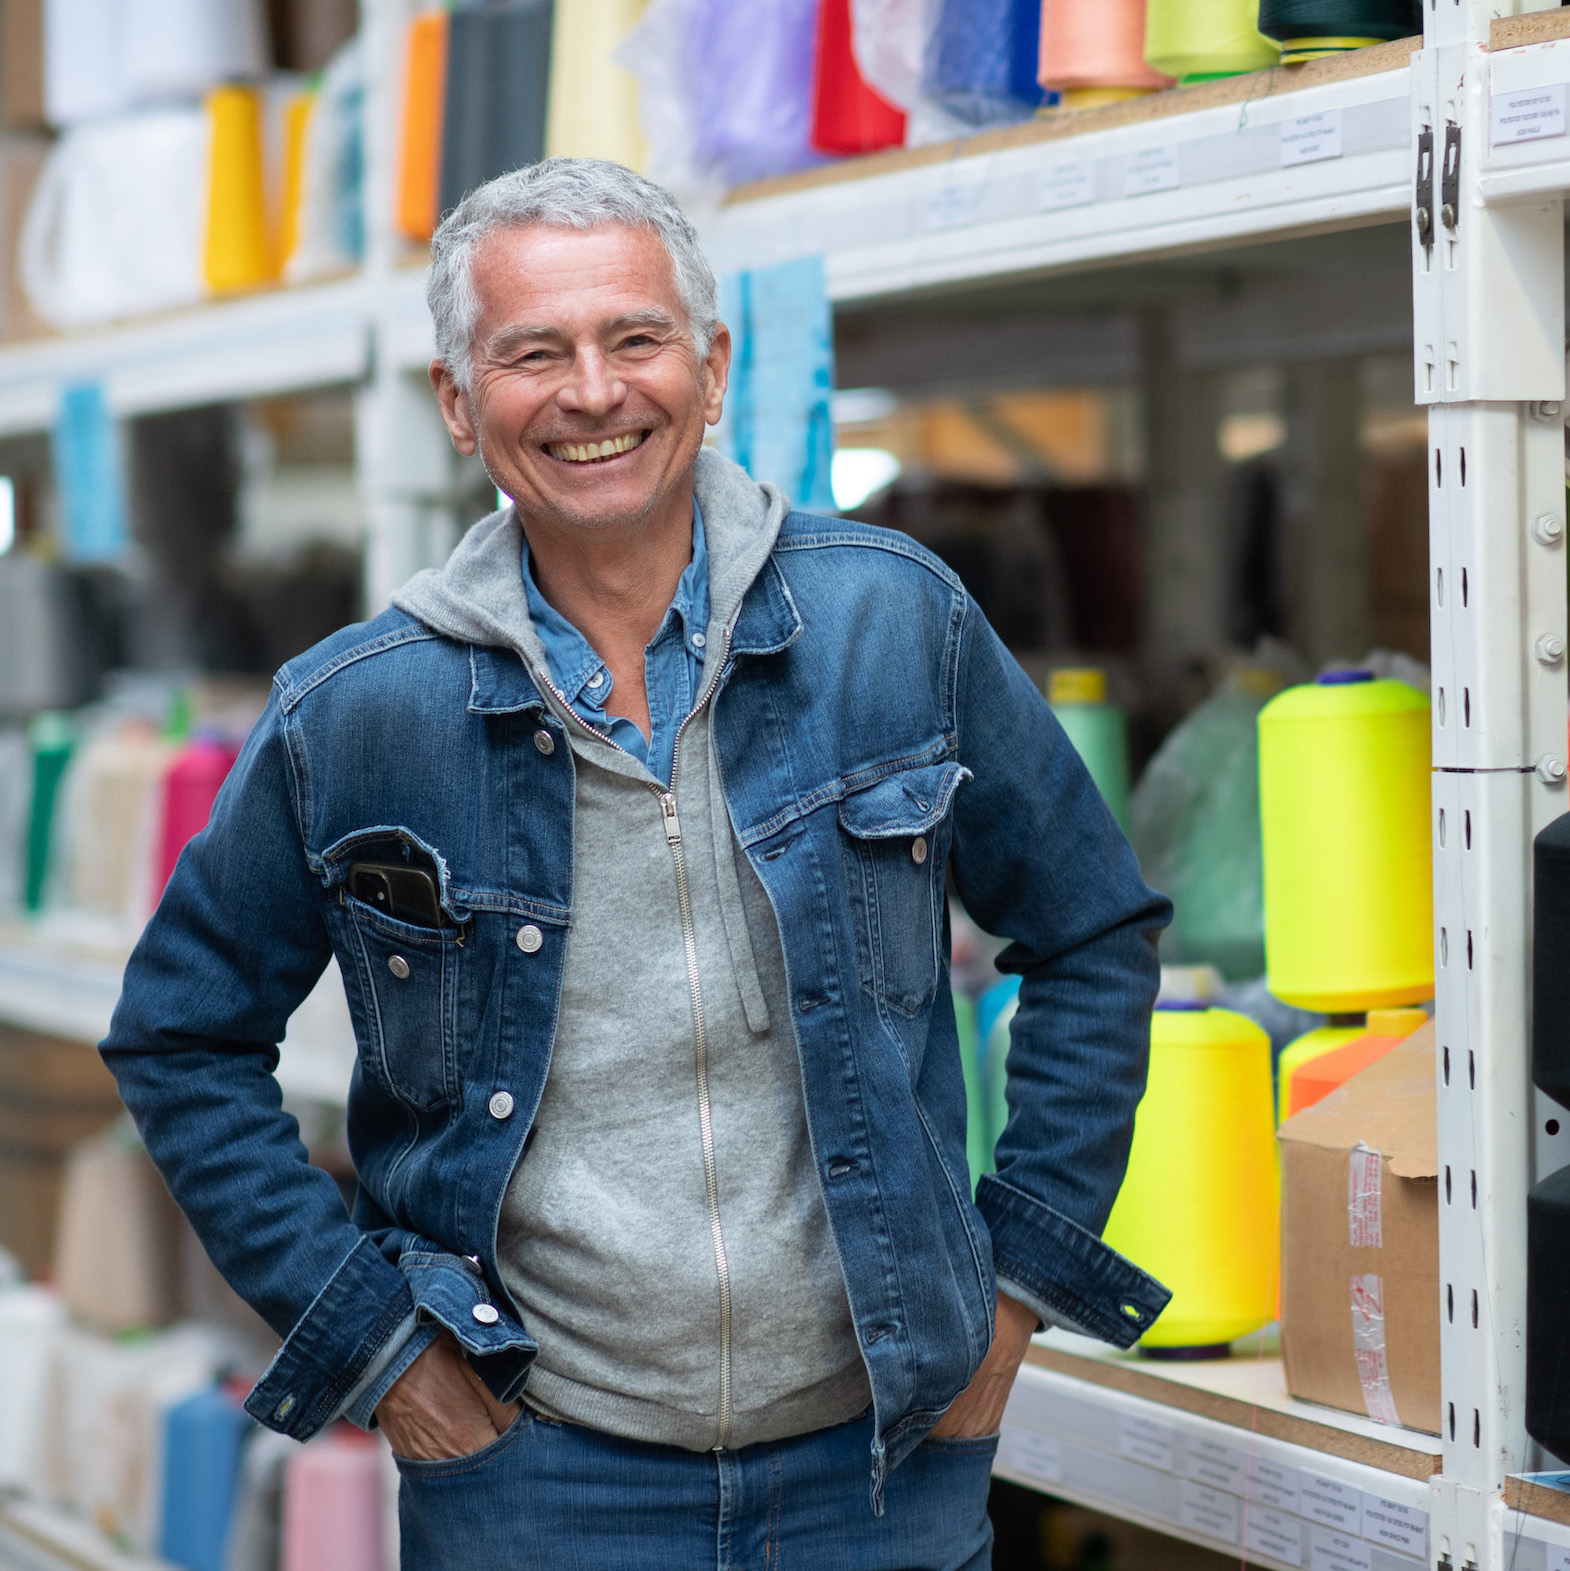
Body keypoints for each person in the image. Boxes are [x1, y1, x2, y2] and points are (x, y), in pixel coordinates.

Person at [102, 158, 1171, 1570]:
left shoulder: (891, 624)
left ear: (710, 369)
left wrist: (1018, 1285)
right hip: (536, 1483)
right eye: (533, 353)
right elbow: (180, 1037)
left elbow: (1091, 932)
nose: (594, 392)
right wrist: (382, 1356)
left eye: (635, 338)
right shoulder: (358, 711)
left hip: (879, 1474)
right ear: (458, 403)